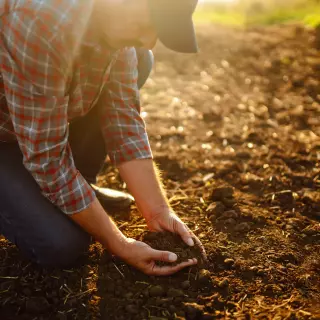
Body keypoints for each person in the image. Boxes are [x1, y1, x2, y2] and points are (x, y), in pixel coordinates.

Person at [0, 0, 204, 276]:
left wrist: (158, 212)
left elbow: (123, 119)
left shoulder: (110, 23)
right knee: (61, 244)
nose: (149, 39)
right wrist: (118, 242)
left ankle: (77, 185)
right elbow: (46, 156)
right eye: (147, 24)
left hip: (31, 125)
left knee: (141, 57)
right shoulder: (42, 22)